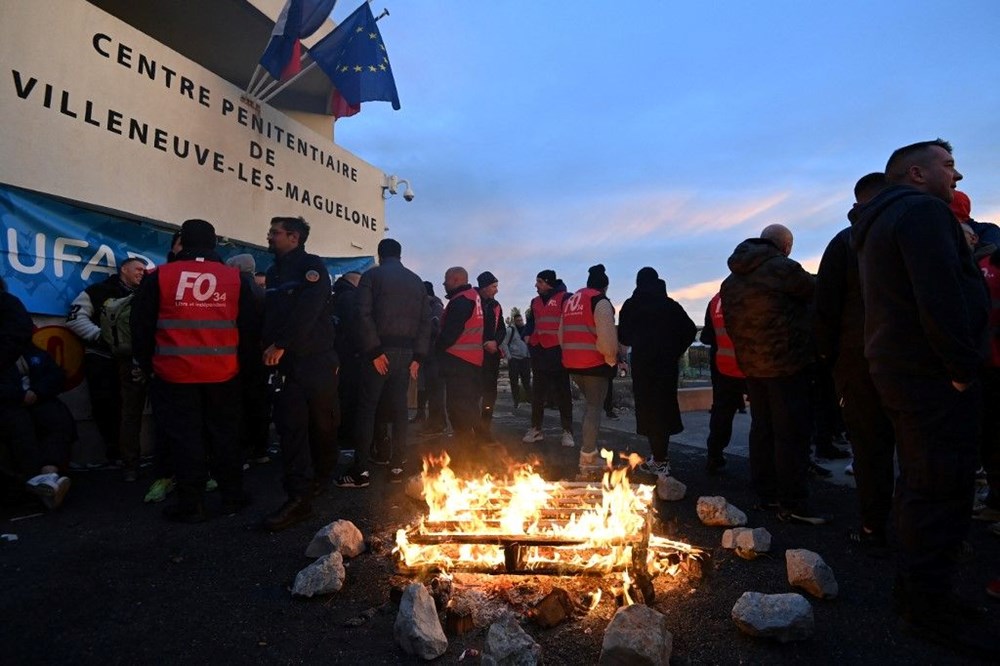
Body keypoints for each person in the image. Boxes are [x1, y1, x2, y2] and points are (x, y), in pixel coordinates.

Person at [853, 139, 997, 658]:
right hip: (930, 374)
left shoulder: (878, 222)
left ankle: (919, 593)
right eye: (949, 166)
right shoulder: (920, 213)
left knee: (919, 484)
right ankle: (928, 608)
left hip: (899, 369)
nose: (956, 176)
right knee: (940, 488)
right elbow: (939, 294)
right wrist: (960, 368)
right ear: (916, 172)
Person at [131, 219, 257, 523]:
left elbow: (141, 328)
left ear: (182, 243)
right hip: (224, 374)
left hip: (174, 375)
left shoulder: (159, 276)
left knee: (185, 439)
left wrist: (150, 367)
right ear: (214, 243)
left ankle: (192, 503)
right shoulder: (235, 279)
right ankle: (232, 496)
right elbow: (250, 330)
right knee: (226, 436)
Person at [814, 172, 895, 550]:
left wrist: (830, 357)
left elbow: (825, 308)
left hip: (858, 359)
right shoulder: (913, 231)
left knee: (870, 447)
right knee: (916, 449)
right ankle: (925, 532)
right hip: (909, 360)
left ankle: (873, 527)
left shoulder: (843, 243)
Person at [721, 225, 821, 524]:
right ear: (785, 246)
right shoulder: (783, 269)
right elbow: (818, 290)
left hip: (751, 366)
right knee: (790, 433)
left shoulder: (730, 281)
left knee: (762, 430)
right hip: (787, 365)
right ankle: (793, 503)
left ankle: (766, 494)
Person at [260, 216, 339, 529]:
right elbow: (272, 315)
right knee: (291, 429)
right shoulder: (273, 271)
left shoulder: (312, 267)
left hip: (315, 362)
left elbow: (309, 311)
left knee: (323, 424)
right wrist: (267, 346)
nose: (270, 236)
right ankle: (299, 498)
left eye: (275, 232)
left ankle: (322, 476)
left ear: (293, 237)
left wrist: (280, 343)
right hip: (285, 365)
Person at [337, 239, 430, 487]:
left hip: (379, 351)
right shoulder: (416, 281)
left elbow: (362, 314)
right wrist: (418, 357)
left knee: (367, 409)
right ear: (400, 255)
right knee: (400, 410)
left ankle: (361, 471)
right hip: (406, 354)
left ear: (380, 255)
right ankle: (397, 465)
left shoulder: (372, 277)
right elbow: (425, 322)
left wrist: (374, 351)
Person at [65, 257, 145, 471]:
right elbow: (74, 318)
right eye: (137, 268)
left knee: (130, 410)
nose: (141, 273)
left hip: (132, 362)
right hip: (101, 359)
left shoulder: (145, 295)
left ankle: (129, 457)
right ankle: (114, 455)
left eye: (144, 270)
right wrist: (102, 337)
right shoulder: (98, 291)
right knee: (105, 406)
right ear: (124, 269)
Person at [618, 267, 696, 476]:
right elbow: (689, 330)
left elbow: (623, 336)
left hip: (644, 366)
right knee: (664, 409)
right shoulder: (670, 305)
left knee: (649, 410)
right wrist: (675, 351)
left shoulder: (631, 305)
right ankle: (660, 456)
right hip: (666, 367)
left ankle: (660, 460)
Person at [560, 265, 618, 470]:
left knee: (589, 406)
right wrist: (612, 359)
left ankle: (588, 450)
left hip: (572, 363)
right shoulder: (599, 301)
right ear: (605, 286)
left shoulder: (570, 301)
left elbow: (562, 333)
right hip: (593, 363)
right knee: (594, 407)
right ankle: (588, 456)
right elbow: (607, 336)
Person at [226, 254, 270, 466]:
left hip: (237, 355)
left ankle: (243, 448)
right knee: (258, 402)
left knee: (239, 403)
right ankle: (260, 448)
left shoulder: (234, 289)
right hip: (258, 355)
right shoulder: (261, 293)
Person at [522, 270, 574, 447]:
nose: (536, 285)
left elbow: (571, 322)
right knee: (538, 394)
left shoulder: (565, 298)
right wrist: (527, 336)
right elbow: (530, 323)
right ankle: (536, 429)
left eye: (539, 282)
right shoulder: (535, 302)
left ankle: (567, 431)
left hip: (558, 352)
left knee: (563, 394)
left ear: (548, 282)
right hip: (539, 352)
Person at [436, 267, 484, 448]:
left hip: (458, 362)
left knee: (458, 406)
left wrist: (436, 348)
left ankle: (465, 446)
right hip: (472, 360)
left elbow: (450, 334)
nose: (443, 283)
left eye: (446, 280)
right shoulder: (473, 297)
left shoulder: (461, 301)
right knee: (469, 404)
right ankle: (472, 441)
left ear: (456, 280)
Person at [700, 291, 747, 473]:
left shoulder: (716, 300)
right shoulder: (756, 290)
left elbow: (707, 336)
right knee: (765, 419)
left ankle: (714, 455)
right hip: (754, 366)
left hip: (723, 367)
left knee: (721, 414)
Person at [332, 271, 362, 454]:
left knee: (342, 395)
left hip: (339, 354)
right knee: (350, 398)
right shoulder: (350, 298)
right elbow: (354, 327)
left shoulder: (337, 297)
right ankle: (347, 438)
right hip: (351, 355)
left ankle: (341, 435)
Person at [476, 271, 505, 442]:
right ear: (485, 287)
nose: (496, 290)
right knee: (473, 394)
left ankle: (485, 429)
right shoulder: (472, 302)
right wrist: (482, 343)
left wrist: (495, 342)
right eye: (494, 286)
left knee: (489, 394)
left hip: (491, 356)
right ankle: (471, 428)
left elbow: (501, 328)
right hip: (474, 355)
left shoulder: (496, 306)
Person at [501, 311, 531, 411]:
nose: (520, 322)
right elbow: (504, 343)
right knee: (514, 381)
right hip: (514, 359)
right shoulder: (510, 330)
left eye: (521, 320)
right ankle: (516, 401)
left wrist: (529, 356)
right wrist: (509, 357)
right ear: (514, 321)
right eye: (518, 320)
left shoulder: (526, 329)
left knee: (526, 380)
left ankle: (529, 400)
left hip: (525, 359)